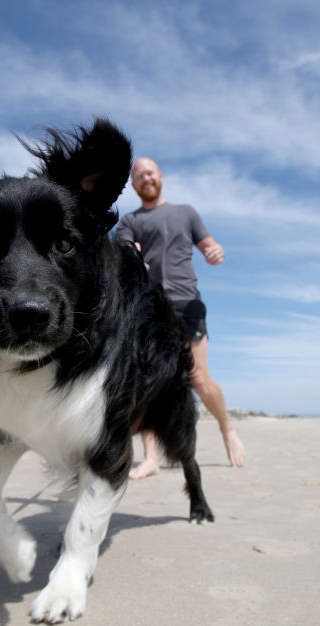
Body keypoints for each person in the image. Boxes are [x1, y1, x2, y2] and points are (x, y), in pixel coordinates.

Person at [115, 157, 246, 478]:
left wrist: (215, 251)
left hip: (187, 303)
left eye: (150, 172)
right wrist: (128, 249)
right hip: (150, 309)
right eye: (138, 175)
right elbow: (121, 249)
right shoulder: (130, 220)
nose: (145, 178)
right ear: (133, 185)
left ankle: (227, 429)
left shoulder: (186, 212)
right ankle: (151, 459)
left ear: (160, 176)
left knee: (198, 379)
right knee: (148, 382)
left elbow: (209, 246)